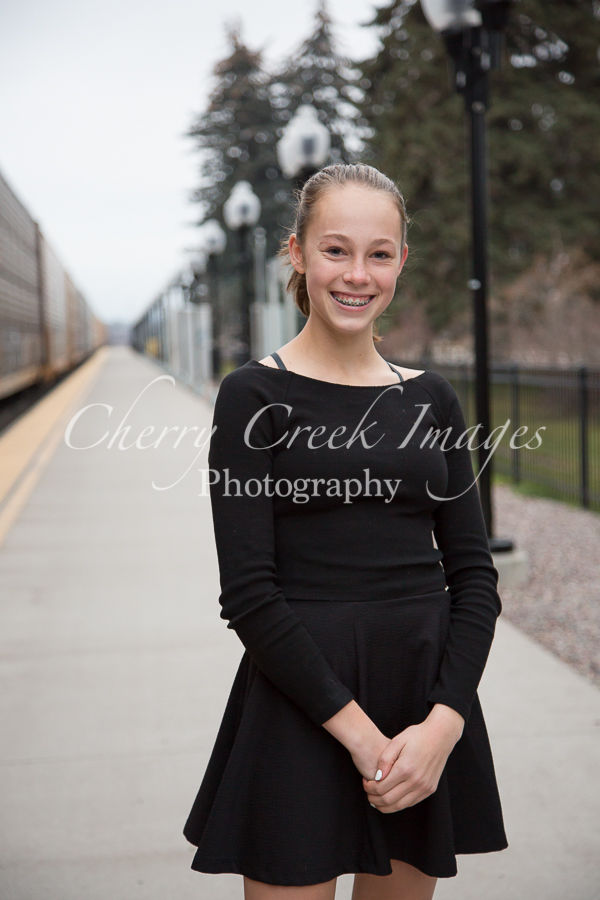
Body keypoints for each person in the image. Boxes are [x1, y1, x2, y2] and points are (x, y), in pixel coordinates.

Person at [183, 163, 508, 899]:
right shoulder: (251, 396)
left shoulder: (432, 399)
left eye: (379, 253)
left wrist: (443, 726)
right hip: (301, 702)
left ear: (400, 261)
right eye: (336, 250)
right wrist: (362, 738)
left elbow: (474, 576)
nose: (357, 274)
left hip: (421, 701)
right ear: (297, 253)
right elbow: (250, 594)